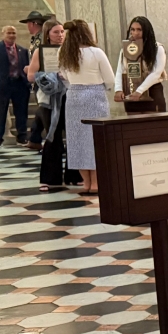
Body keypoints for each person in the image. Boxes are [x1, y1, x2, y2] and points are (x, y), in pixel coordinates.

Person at [58, 20, 114, 196]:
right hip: (95, 95)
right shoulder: (96, 52)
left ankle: (86, 184)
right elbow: (110, 78)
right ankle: (97, 183)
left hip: (74, 96)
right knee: (95, 139)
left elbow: (64, 76)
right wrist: (107, 89)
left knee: (77, 141)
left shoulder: (64, 52)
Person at [26, 20, 81, 192]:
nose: (60, 35)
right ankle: (50, 178)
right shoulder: (40, 52)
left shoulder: (71, 50)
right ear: (48, 34)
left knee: (73, 135)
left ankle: (74, 175)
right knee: (53, 136)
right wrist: (49, 77)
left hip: (70, 96)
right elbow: (30, 75)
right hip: (49, 100)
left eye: (62, 32)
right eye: (56, 32)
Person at [0, 25, 31, 147]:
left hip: (19, 84)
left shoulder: (23, 50)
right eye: (9, 33)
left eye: (13, 33)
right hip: (2, 85)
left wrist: (27, 82)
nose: (11, 35)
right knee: (0, 112)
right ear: (3, 34)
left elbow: (27, 67)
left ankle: (22, 136)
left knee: (21, 112)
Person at [113, 16, 168, 113]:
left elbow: (156, 72)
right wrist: (118, 89)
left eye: (139, 30)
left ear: (146, 31)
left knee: (155, 125)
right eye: (132, 29)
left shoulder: (157, 48)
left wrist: (140, 90)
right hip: (131, 90)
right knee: (134, 126)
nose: (135, 33)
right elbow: (120, 70)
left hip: (152, 92)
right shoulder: (125, 49)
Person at [21, 11, 50, 149]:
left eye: (28, 23)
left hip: (43, 78)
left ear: (32, 24)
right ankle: (35, 137)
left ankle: (39, 137)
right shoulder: (37, 38)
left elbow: (41, 59)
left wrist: (31, 69)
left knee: (44, 108)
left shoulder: (40, 40)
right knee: (42, 108)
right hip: (42, 77)